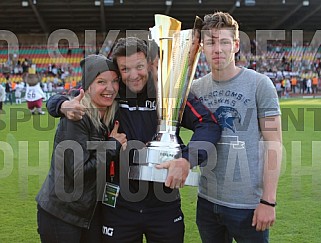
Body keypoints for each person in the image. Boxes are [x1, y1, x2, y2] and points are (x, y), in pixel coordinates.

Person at [46, 36, 221, 243]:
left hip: (163, 203)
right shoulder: (112, 92)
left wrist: (187, 159)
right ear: (118, 72)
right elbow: (69, 98)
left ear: (148, 64)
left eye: (139, 66)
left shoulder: (168, 92)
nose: (133, 75)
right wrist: (61, 106)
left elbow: (208, 123)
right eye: (125, 69)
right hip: (119, 204)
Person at [190, 11, 282, 242]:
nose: (217, 49)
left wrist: (268, 200)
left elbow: (274, 144)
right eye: (211, 42)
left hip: (248, 206)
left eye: (224, 41)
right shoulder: (195, 89)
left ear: (236, 45)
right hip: (207, 203)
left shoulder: (260, 85)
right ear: (202, 47)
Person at [36, 55, 127, 243]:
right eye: (101, 81)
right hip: (62, 213)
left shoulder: (110, 115)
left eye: (114, 81)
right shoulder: (76, 118)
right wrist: (113, 146)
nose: (110, 88)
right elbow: (77, 172)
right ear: (87, 87)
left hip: (90, 213)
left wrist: (58, 103)